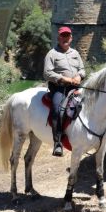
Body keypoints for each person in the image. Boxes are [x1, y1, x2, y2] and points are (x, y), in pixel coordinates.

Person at [43, 26, 85, 157]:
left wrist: (79, 76)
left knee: (92, 103)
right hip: (59, 88)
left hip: (75, 87)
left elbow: (82, 69)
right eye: (63, 36)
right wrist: (63, 78)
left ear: (71, 38)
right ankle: (58, 143)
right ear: (58, 38)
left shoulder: (75, 53)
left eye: (67, 36)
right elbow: (47, 73)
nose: (65, 38)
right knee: (57, 109)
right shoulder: (52, 54)